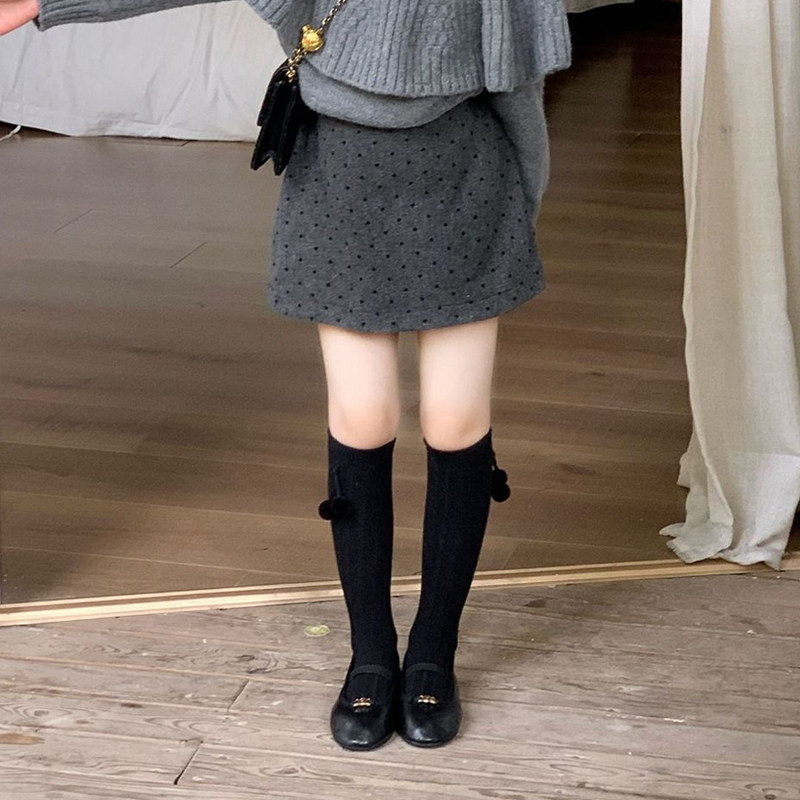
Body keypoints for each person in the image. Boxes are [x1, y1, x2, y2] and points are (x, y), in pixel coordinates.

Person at [0, 0, 572, 751]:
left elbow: (521, 90)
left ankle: (435, 651)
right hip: (339, 182)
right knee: (362, 415)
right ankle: (371, 654)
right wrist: (44, 4)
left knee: (455, 420)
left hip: (467, 182)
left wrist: (520, 215)